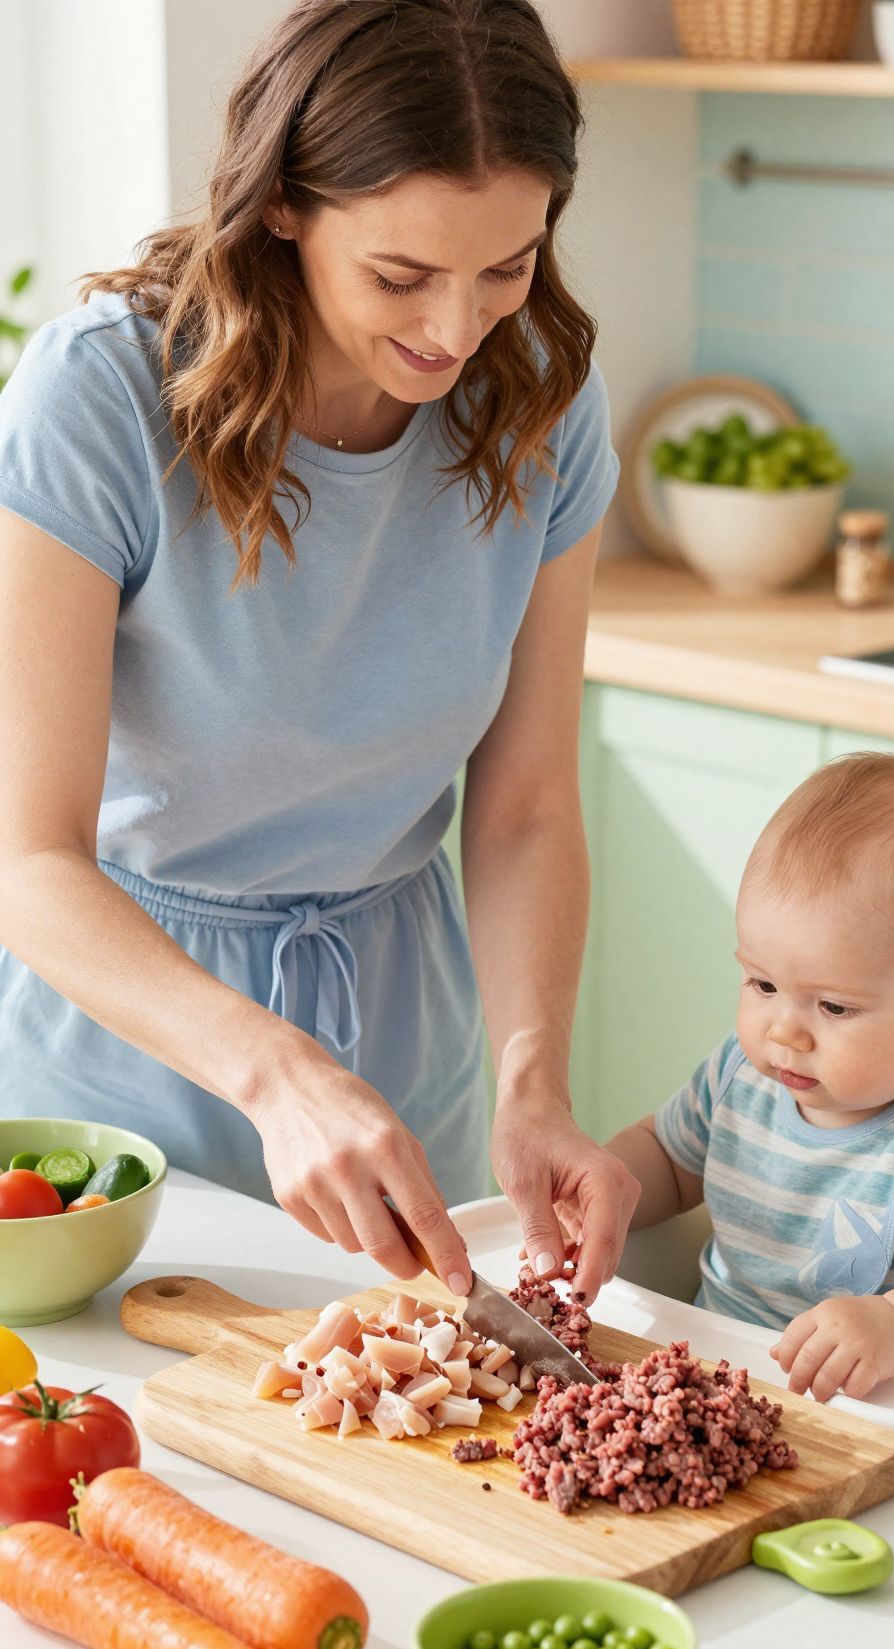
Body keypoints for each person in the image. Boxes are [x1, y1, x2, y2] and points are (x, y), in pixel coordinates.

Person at [0, 0, 638, 1304]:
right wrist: (278, 1071)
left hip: (406, 1045)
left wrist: (532, 1083)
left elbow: (522, 808)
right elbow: (26, 857)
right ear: (284, 203)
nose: (455, 332)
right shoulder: (105, 400)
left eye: (506, 267)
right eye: (403, 277)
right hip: (124, 1055)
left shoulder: (542, 403)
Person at [607, 753, 894, 1402]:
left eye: (833, 1007)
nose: (784, 1032)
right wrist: (601, 1187)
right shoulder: (742, 1074)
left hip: (876, 1416)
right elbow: (667, 1159)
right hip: (700, 1382)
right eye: (762, 984)